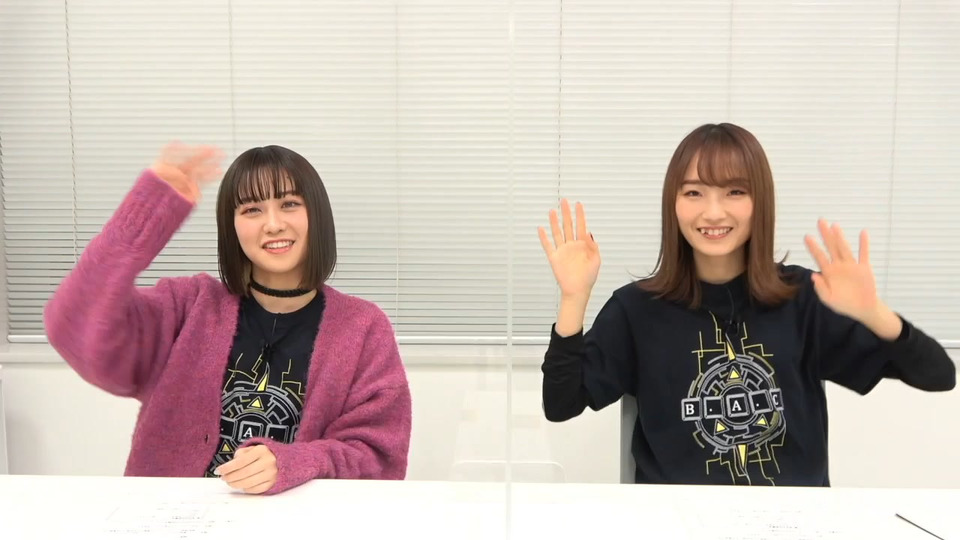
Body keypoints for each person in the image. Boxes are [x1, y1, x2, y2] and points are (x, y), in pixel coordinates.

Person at [538, 123, 955, 486]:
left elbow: (939, 375)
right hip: (675, 520)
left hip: (795, 523)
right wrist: (574, 298)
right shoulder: (637, 310)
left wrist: (872, 312)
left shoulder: (804, 297)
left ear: (760, 202)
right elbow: (561, 404)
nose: (713, 212)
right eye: (694, 192)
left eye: (734, 191)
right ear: (673, 203)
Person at [44, 142, 412, 494]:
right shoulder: (187, 307)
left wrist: (294, 463)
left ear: (316, 214)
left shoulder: (363, 327)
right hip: (172, 519)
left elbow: (378, 456)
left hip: (297, 521)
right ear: (231, 225)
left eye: (289, 204)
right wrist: (148, 208)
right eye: (252, 209)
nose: (273, 224)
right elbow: (75, 323)